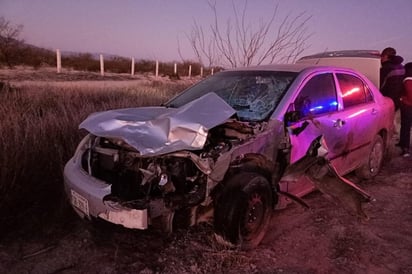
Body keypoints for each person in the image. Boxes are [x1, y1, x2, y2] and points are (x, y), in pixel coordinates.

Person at [399, 62, 412, 157]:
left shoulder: (407, 80)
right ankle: (402, 143)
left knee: (405, 127)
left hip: (407, 106)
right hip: (408, 105)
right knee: (405, 126)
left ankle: (405, 148)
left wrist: (402, 99)